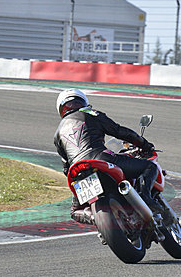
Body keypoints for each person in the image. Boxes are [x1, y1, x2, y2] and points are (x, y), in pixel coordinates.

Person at [54, 88, 159, 225]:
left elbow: (65, 168)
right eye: (72, 105)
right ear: (84, 102)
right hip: (100, 159)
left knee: (75, 211)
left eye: (75, 103)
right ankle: (146, 198)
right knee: (150, 167)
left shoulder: (58, 133)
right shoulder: (90, 112)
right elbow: (118, 131)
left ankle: (96, 218)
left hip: (78, 172)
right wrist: (144, 144)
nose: (74, 107)